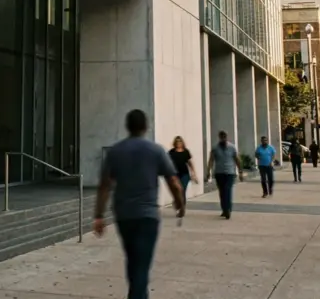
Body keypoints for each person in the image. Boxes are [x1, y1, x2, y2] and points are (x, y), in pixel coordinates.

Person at [94, 109, 185, 299]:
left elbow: (104, 186)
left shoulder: (115, 151)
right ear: (146, 126)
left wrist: (99, 215)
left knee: (134, 260)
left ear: (127, 127)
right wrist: (180, 205)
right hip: (148, 216)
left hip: (124, 215)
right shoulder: (156, 150)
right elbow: (174, 183)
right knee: (141, 264)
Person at [207, 130, 242, 218]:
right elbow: (211, 160)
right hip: (219, 173)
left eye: (224, 137)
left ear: (226, 137)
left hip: (230, 173)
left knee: (227, 190)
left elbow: (237, 159)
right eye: (221, 137)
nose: (223, 139)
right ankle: (224, 209)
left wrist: (240, 171)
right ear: (219, 137)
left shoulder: (232, 147)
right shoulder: (215, 148)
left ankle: (228, 209)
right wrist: (208, 171)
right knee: (222, 192)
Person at [168, 136, 198, 204]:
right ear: (175, 143)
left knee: (182, 189)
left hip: (185, 174)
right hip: (175, 174)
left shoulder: (186, 151)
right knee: (177, 190)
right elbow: (168, 162)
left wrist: (193, 173)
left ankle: (182, 204)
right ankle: (178, 202)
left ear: (182, 143)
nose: (178, 143)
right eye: (177, 141)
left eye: (180, 141)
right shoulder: (171, 152)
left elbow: (190, 163)